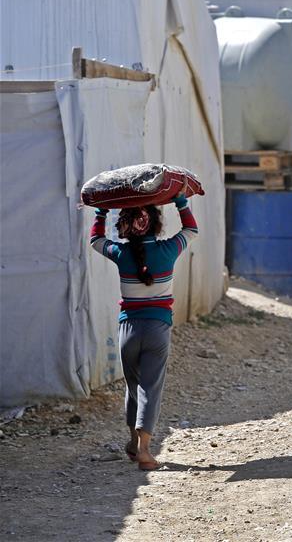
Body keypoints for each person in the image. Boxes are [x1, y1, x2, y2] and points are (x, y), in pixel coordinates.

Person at [89, 192, 199, 471]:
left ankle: (132, 442)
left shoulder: (121, 253)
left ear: (125, 227)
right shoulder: (168, 250)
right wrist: (181, 202)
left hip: (128, 328)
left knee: (133, 386)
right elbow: (191, 230)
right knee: (151, 388)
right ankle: (145, 451)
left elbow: (95, 241)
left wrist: (100, 212)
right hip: (158, 328)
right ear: (156, 224)